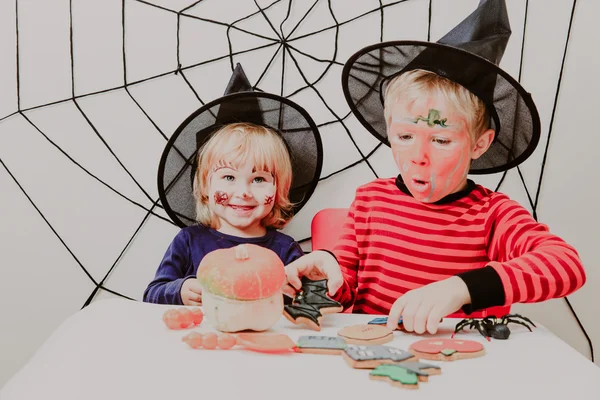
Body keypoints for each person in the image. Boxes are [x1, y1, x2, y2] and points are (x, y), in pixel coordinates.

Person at [284, 0, 586, 335]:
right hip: (372, 353)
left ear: (479, 143)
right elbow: (345, 293)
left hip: (451, 363)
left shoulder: (492, 215)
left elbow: (565, 265)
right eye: (404, 135)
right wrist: (327, 276)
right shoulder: (369, 200)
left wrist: (460, 288)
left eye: (441, 140)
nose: (418, 156)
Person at [144, 64, 323, 305]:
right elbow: (151, 294)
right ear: (205, 186)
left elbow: (310, 303)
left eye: (259, 179)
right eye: (229, 178)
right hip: (201, 340)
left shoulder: (284, 249)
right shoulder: (189, 241)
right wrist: (180, 289)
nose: (243, 193)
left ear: (279, 189)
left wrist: (297, 293)